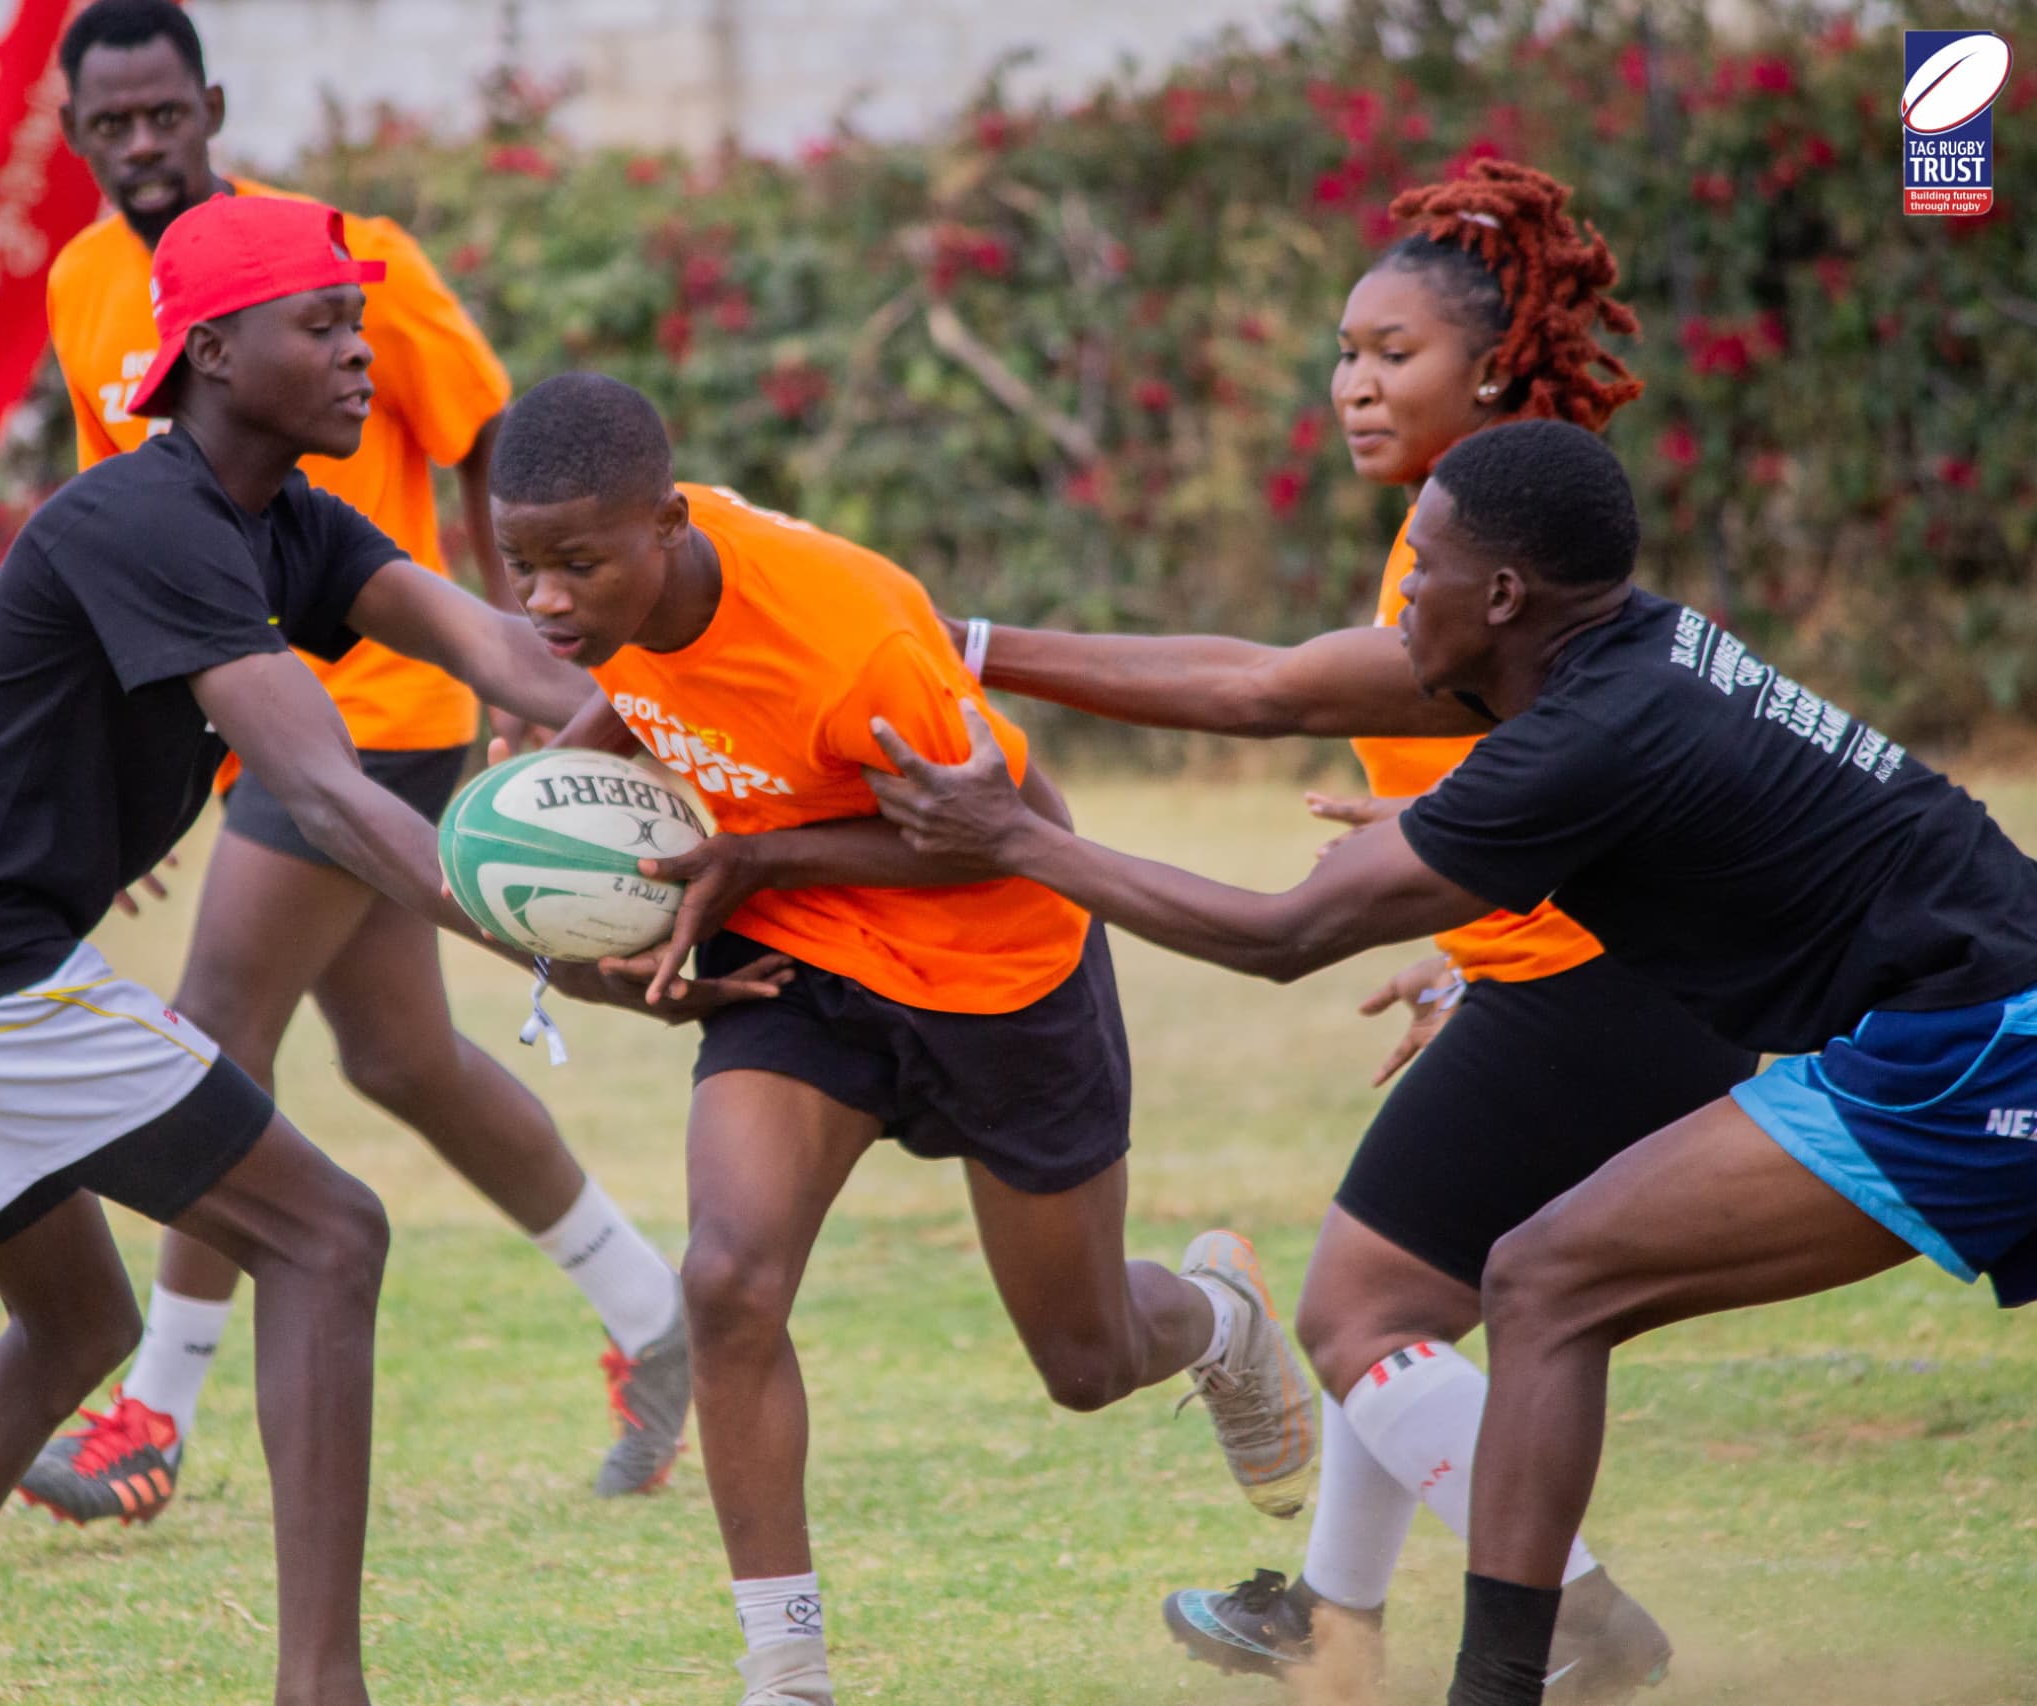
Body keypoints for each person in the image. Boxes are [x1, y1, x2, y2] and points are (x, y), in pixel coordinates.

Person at [0, 196, 781, 1706]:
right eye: (324, 327)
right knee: (329, 1233)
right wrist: (572, 951)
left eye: (357, 321)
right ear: (216, 351)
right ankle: (324, 1688)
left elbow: (497, 646)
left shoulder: (284, 521)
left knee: (80, 1323)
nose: (362, 354)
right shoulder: (149, 519)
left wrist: (720, 677)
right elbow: (321, 791)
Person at [864, 418, 2037, 1706]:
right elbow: (1271, 690)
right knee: (1524, 1281)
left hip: (1973, 1050)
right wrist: (952, 645)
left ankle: (1502, 1683)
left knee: (1543, 1281)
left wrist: (1013, 840)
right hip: (1957, 1019)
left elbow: (1279, 934)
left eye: (1415, 564)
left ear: (1499, 594)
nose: (1395, 585)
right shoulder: (1597, 652)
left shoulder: (1583, 731)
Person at [935, 161, 1735, 1695]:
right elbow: (1551, 785)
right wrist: (1462, 939)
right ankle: (1333, 1615)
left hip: (1608, 989)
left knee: (1359, 1307)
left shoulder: (1495, 547)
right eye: (1347, 353)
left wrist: (967, 644)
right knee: (1402, 1295)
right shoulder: (1466, 522)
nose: (1355, 385)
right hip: (1576, 969)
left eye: (1394, 354)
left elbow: (1267, 689)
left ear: (1491, 364)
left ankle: (1571, 1610)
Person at [487, 371, 1316, 1706]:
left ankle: (1220, 1317)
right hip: (802, 955)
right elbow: (632, 723)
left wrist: (760, 853)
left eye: (575, 564)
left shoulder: (847, 628)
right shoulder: (612, 605)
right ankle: (788, 1674)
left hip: (996, 959)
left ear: (668, 521)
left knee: (1086, 1361)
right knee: (728, 1278)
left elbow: (1006, 822)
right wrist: (558, 886)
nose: (543, 601)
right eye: (519, 563)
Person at [26, 0, 691, 1520]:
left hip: (376, 706)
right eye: (108, 125)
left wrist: (526, 652)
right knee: (399, 1057)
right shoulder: (79, 283)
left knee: (211, 1028)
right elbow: (123, 522)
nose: (141, 146)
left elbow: (489, 442)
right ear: (73, 136)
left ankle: (152, 1410)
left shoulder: (343, 249)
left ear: (211, 102)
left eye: (164, 114)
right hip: (237, 702)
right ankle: (659, 1312)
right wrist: (132, 755)